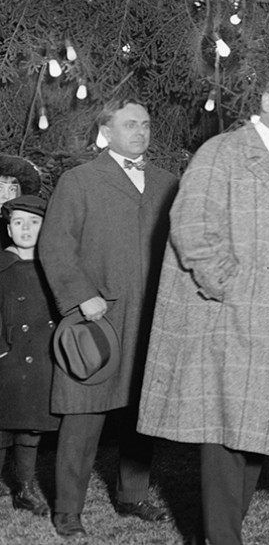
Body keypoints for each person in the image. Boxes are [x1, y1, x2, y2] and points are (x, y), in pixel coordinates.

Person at [137, 75, 269, 545]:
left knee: (253, 436)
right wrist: (233, 288)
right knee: (227, 439)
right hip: (233, 324)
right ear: (266, 101)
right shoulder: (223, 151)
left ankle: (221, 535)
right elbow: (190, 225)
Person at [39, 98, 179, 537]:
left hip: (151, 319)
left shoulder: (168, 183)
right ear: (106, 132)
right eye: (130, 124)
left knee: (143, 412)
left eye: (146, 124)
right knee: (83, 417)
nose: (141, 131)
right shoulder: (79, 181)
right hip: (98, 320)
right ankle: (68, 510)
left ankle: (132, 495)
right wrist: (81, 296)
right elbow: (55, 246)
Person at [0, 195, 57, 516]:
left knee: (31, 425)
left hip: (40, 356)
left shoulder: (52, 267)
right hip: (7, 357)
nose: (26, 228)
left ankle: (24, 488)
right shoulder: (2, 266)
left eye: (34, 222)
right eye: (18, 222)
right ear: (9, 229)